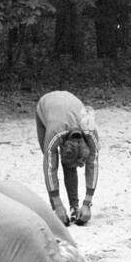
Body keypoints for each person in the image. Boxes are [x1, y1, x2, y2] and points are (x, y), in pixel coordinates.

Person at [35, 90, 100, 226]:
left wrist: (87, 203)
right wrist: (57, 203)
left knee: (70, 168)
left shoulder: (89, 129)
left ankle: (74, 208)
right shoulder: (54, 134)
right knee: (50, 160)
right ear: (63, 145)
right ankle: (57, 208)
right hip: (46, 105)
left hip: (69, 102)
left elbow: (93, 163)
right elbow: (49, 168)